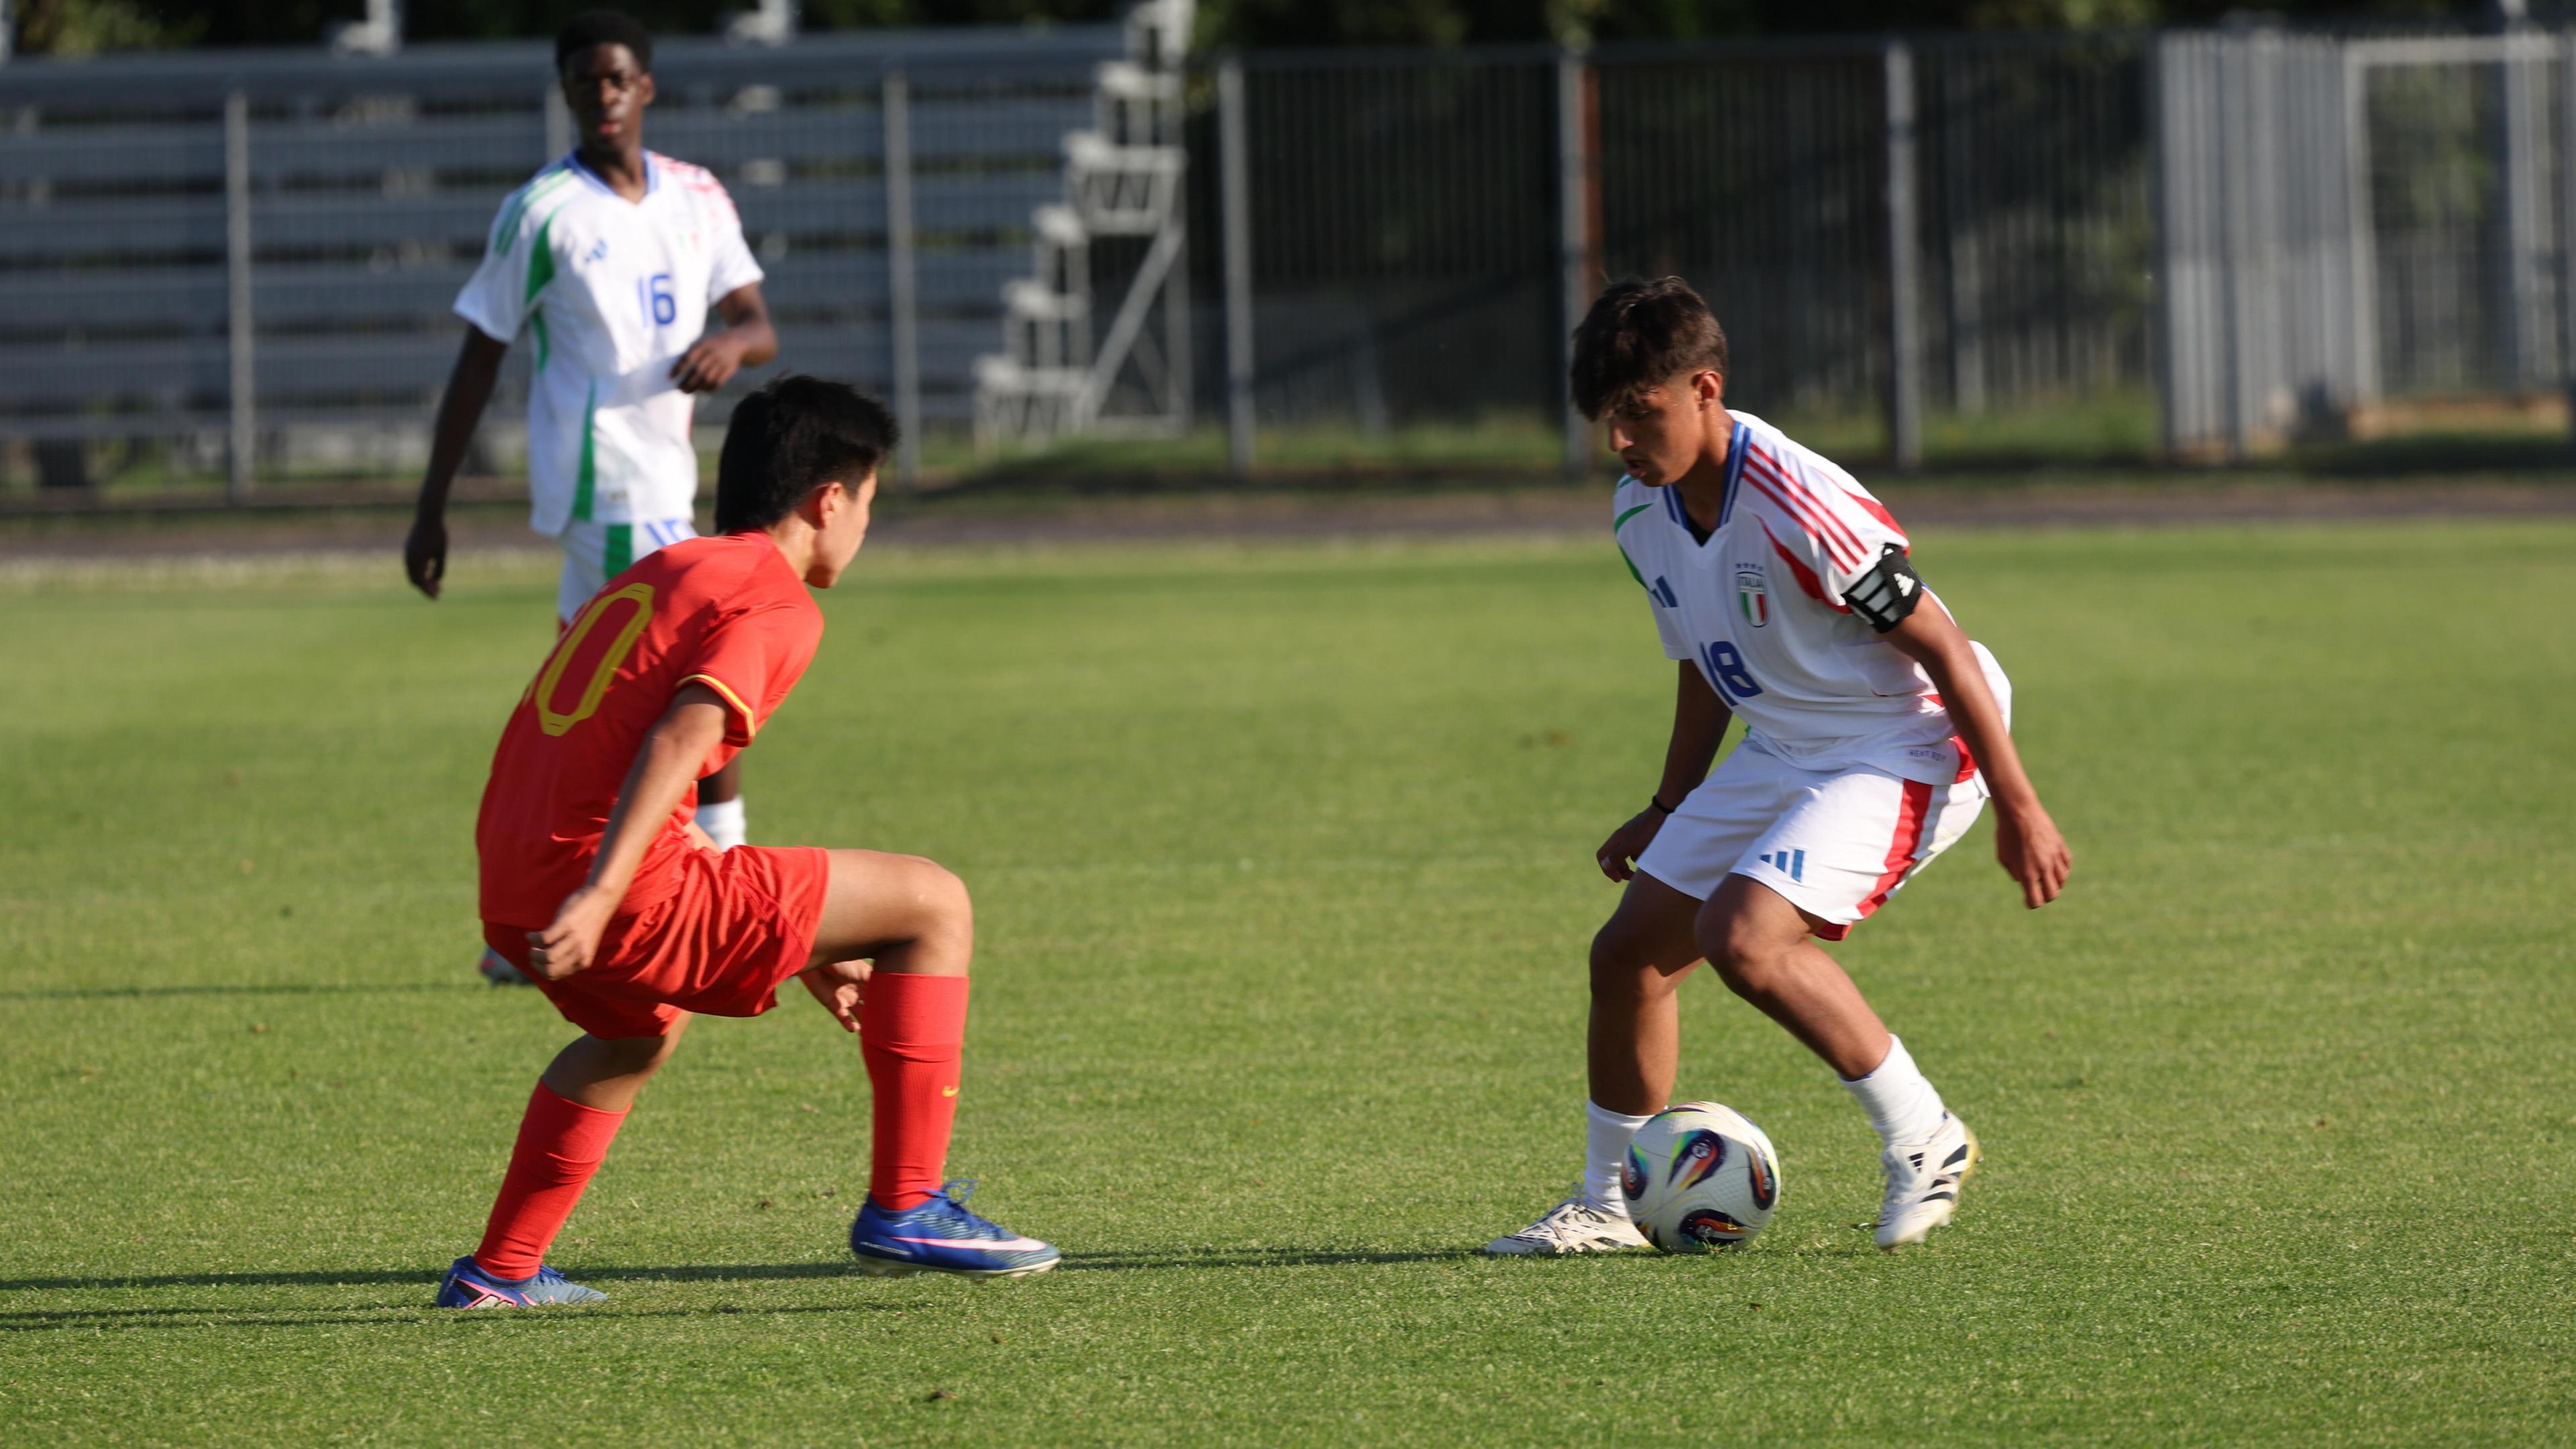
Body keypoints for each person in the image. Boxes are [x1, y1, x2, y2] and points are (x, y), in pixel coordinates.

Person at [435, 375, 1057, 1309]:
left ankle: (501, 1272)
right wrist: (602, 896)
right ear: (830, 499)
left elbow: (604, 759)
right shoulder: (774, 599)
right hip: (602, 887)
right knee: (933, 903)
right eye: (870, 503)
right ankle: (909, 1205)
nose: (865, 526)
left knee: (634, 1032)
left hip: (516, 883)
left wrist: (804, 943)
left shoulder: (668, 570)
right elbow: (680, 739)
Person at [1485, 277, 2072, 1257]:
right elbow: (1707, 660)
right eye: (1606, 418)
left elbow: (1943, 646)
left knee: (1744, 938)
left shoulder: (1800, 501)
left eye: (1640, 411)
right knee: (1628, 957)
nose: (1621, 439)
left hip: (1904, 740)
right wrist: (1668, 804)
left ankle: (1924, 1136)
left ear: (1705, 389)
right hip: (1789, 742)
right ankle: (1610, 1203)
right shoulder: (1641, 509)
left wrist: (2021, 805)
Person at [405, 11, 777, 991]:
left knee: (589, 701)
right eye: (583, 82)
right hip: (602, 486)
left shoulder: (697, 194)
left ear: (645, 85)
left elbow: (757, 321)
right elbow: (479, 356)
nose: (602, 96)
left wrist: (731, 346)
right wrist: (432, 504)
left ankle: (535, 915)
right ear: (567, 93)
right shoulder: (543, 213)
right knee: (692, 675)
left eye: (616, 79)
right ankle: (718, 877)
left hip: (667, 479)